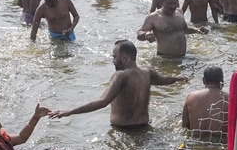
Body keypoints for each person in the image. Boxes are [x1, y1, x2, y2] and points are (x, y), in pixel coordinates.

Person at [47, 39, 185, 129]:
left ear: (124, 57)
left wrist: (69, 112)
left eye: (114, 57)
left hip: (123, 132)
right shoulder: (147, 73)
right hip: (144, 127)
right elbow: (165, 80)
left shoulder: (120, 76)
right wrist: (178, 78)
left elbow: (102, 102)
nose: (113, 61)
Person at [137, 0, 205, 58]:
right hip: (165, 59)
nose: (172, 6)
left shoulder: (179, 12)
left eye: (175, 3)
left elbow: (184, 29)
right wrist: (146, 34)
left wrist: (197, 30)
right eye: (169, 3)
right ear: (162, 1)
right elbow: (139, 34)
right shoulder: (154, 17)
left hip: (183, 57)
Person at [180, 66, 227, 139]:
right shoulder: (229, 99)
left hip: (195, 141)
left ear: (204, 81)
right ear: (222, 81)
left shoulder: (191, 97)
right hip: (220, 142)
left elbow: (185, 125)